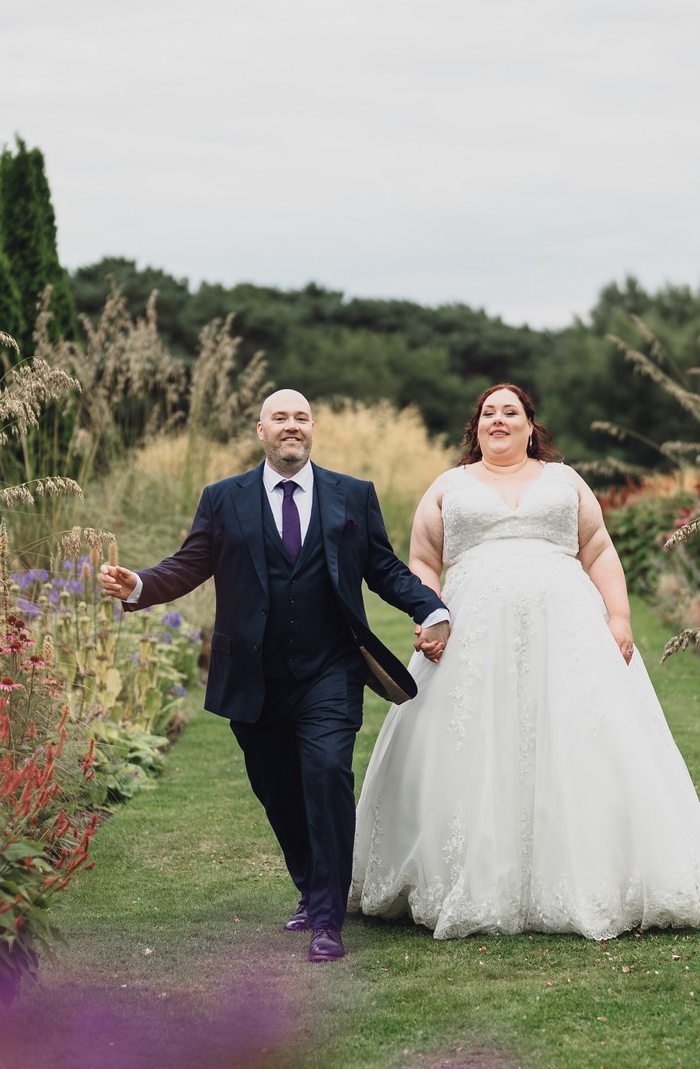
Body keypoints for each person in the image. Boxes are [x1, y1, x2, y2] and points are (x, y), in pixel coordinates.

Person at [349, 382, 700, 940]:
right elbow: (424, 558)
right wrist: (431, 613)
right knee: (472, 744)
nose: (499, 420)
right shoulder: (448, 486)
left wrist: (619, 616)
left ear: (530, 425)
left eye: (510, 412)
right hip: (472, 637)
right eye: (488, 413)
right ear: (475, 427)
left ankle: (593, 874)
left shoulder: (564, 480)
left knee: (581, 738)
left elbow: (598, 547)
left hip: (567, 632)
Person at [99, 389, 450, 962]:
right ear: (261, 430)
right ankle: (311, 889)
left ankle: (328, 919)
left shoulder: (353, 495)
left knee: (327, 774)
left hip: (330, 670)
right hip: (253, 675)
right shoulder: (223, 498)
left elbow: (382, 567)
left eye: (302, 418)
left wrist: (431, 608)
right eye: (280, 418)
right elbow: (190, 563)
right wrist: (139, 585)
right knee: (278, 790)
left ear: (312, 429)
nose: (293, 426)